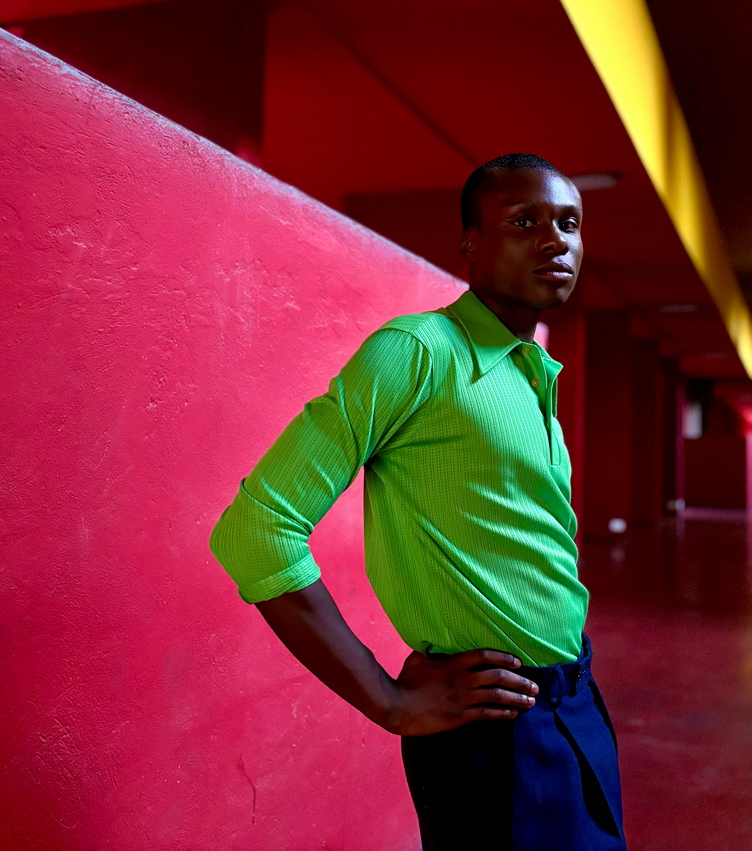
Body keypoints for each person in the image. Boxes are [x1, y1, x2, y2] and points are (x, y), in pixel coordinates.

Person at [210, 152, 625, 850]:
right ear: (470, 243)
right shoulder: (418, 351)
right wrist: (388, 699)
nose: (556, 241)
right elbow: (257, 529)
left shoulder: (531, 372)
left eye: (569, 224)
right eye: (524, 222)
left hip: (575, 700)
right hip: (493, 730)